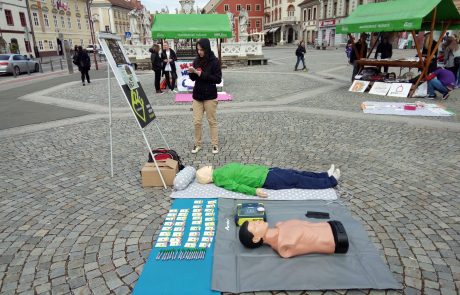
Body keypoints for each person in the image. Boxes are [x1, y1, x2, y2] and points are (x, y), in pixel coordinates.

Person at [196, 163, 340, 197]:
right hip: (266, 179)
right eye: (204, 169)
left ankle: (324, 175)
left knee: (295, 172)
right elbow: (236, 186)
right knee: (296, 179)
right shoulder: (220, 178)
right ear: (207, 178)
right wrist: (254, 191)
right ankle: (330, 181)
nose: (206, 166)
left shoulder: (221, 170)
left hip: (266, 171)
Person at [238, 219, 349, 258]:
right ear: (256, 239)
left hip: (330, 225)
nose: (257, 221)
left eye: (254, 222)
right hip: (336, 240)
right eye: (255, 226)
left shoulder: (280, 225)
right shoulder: (284, 248)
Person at [188, 38, 222, 154]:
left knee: (212, 121)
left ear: (206, 49)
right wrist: (192, 73)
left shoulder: (215, 61)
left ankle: (215, 144)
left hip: (210, 96)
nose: (199, 52)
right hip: (197, 95)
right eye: (198, 50)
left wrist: (201, 74)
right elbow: (193, 78)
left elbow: (217, 79)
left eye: (201, 50)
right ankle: (197, 144)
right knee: (197, 122)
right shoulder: (196, 60)